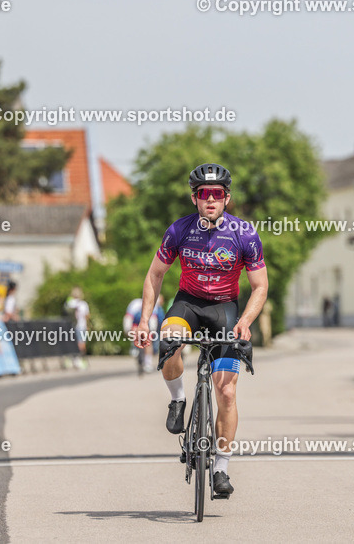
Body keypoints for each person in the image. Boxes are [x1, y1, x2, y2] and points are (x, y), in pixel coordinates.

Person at [132, 163, 267, 498]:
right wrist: (144, 319)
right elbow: (155, 275)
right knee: (171, 338)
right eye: (204, 194)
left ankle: (221, 468)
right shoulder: (179, 230)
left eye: (217, 194)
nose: (211, 200)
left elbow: (260, 286)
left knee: (227, 393)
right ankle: (178, 399)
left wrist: (245, 322)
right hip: (188, 303)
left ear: (227, 198)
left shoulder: (244, 234)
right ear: (194, 198)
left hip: (225, 308)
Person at [65, 286, 91, 369]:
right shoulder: (83, 304)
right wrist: (88, 325)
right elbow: (87, 316)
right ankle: (80, 360)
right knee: (82, 343)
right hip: (81, 326)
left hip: (70, 326)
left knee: (72, 343)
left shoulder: (69, 304)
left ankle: (72, 359)